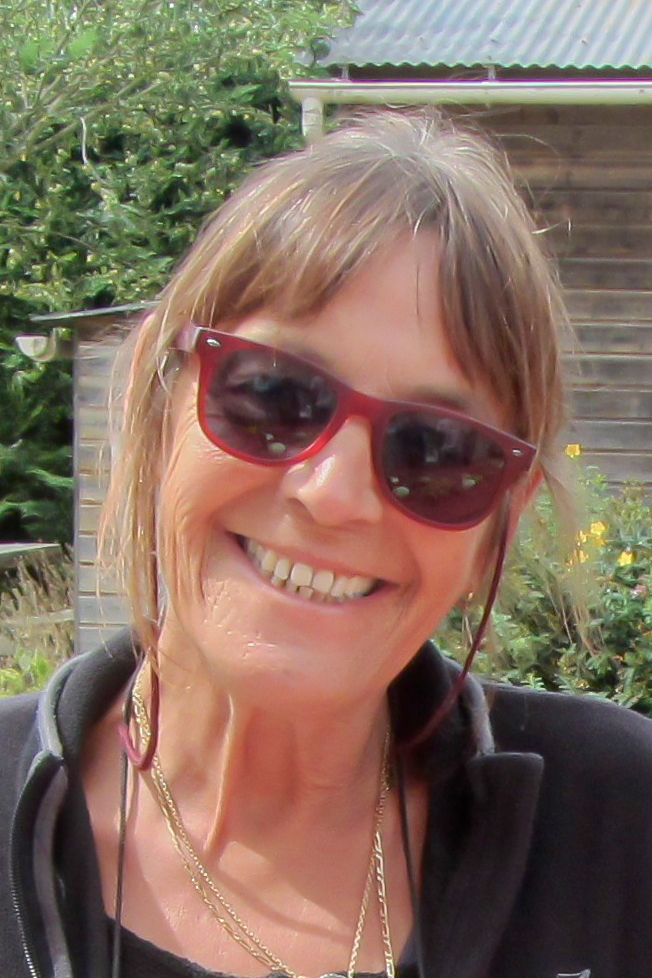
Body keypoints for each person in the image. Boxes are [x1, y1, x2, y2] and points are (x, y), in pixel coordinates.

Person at [2, 111, 652, 978]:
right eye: (274, 395)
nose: (334, 495)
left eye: (436, 449)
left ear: (502, 514)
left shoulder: (620, 829)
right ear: (157, 400)